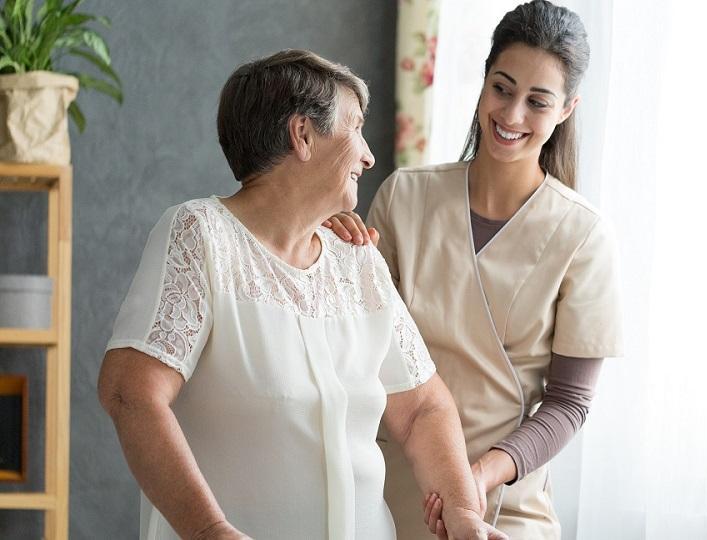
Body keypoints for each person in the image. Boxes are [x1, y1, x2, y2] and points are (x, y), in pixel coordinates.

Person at [98, 49, 505, 540]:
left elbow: (423, 408)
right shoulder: (200, 236)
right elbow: (130, 392)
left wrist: (462, 509)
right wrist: (210, 531)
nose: (369, 155)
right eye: (355, 128)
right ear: (303, 135)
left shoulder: (357, 258)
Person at [327, 2, 623, 537]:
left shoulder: (583, 235)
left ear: (566, 109)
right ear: (484, 82)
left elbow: (569, 403)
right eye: (502, 89)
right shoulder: (405, 197)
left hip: (506, 502)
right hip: (390, 493)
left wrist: (477, 475)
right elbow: (355, 350)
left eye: (537, 101)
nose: (511, 116)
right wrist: (332, 258)